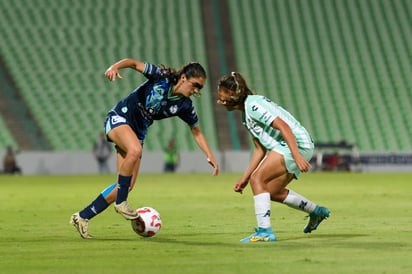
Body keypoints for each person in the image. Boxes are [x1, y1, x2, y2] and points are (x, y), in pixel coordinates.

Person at [70, 58, 219, 238]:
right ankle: (121, 203)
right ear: (184, 78)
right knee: (134, 153)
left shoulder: (183, 105)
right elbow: (133, 63)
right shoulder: (161, 77)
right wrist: (115, 67)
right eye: (195, 85)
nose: (196, 90)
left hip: (137, 134)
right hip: (119, 118)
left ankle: (82, 217)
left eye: (200, 88)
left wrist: (210, 155)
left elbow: (196, 131)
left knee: (126, 185)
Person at [217, 72, 330, 243]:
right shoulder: (246, 114)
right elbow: (259, 150)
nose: (220, 100)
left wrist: (296, 155)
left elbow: (283, 126)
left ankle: (265, 231)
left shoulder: (253, 105)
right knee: (271, 191)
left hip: (295, 144)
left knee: (258, 179)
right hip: (290, 146)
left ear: (232, 93)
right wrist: (244, 178)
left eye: (222, 95)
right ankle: (316, 211)